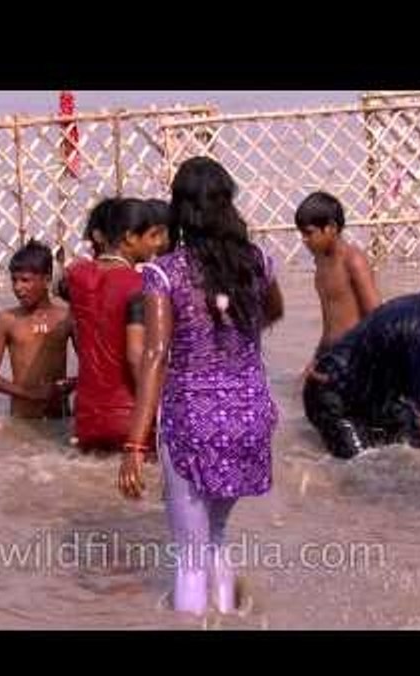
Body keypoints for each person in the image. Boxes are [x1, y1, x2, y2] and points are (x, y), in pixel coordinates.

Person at [117, 157, 284, 615]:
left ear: (180, 211)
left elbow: (154, 356)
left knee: (189, 557)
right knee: (216, 537)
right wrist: (236, 335)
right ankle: (227, 616)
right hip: (250, 415)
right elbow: (273, 311)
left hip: (192, 419)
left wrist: (134, 443)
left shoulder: (164, 273)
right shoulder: (258, 261)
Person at [303, 260, 420, 457]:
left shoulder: (416, 304)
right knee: (362, 469)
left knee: (397, 449)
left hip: (361, 396)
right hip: (334, 401)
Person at [66, 198, 168, 450]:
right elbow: (136, 357)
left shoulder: (76, 276)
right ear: (130, 238)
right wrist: (160, 414)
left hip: (86, 419)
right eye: (152, 235)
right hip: (128, 418)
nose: (157, 244)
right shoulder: (140, 284)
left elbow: (80, 335)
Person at [0, 240, 75, 419]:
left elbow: (90, 366)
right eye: (14, 280)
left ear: (47, 280)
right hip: (22, 419)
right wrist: (31, 394)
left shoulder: (67, 317)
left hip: (60, 417)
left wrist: (70, 384)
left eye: (25, 280)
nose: (18, 288)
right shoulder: (7, 320)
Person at [295, 191, 380, 383]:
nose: (304, 240)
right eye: (302, 234)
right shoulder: (320, 262)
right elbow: (329, 322)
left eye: (309, 233)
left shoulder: (353, 261)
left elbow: (377, 318)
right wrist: (317, 358)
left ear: (331, 228)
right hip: (332, 355)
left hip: (354, 357)